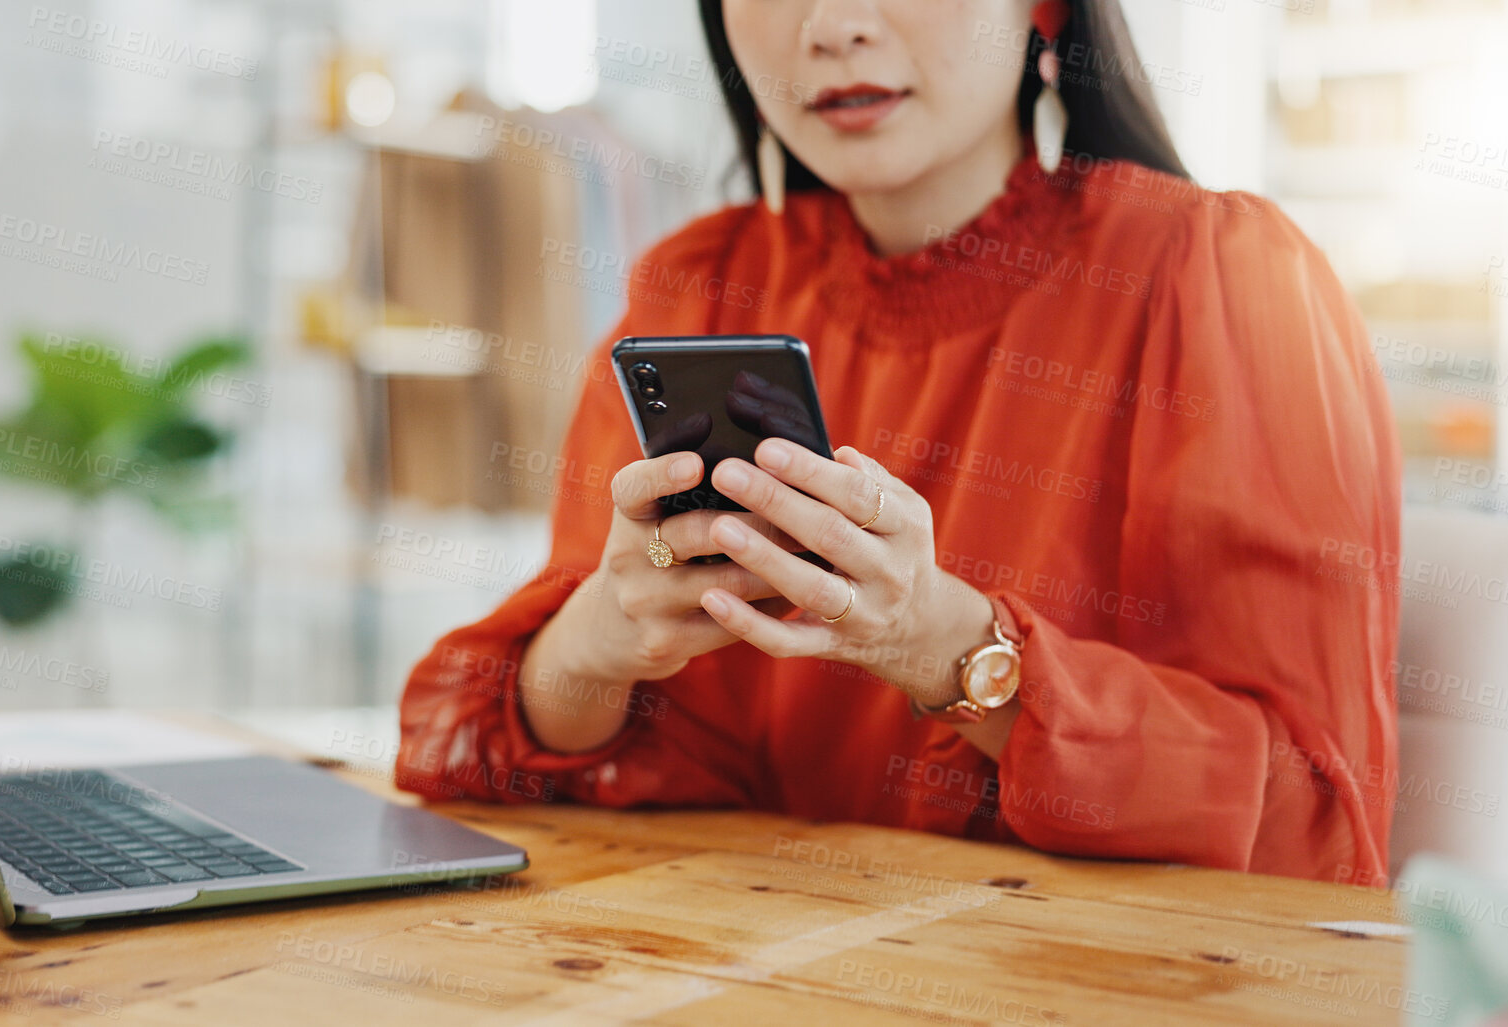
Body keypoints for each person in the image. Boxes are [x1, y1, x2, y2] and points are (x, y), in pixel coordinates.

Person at [396, 0, 1401, 883]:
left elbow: (1309, 821)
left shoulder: (1218, 280)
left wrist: (947, 644)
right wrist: (598, 644)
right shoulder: (696, 285)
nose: (831, 25)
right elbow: (534, 760)